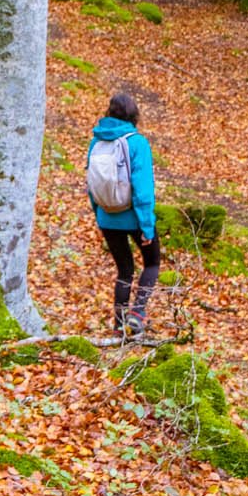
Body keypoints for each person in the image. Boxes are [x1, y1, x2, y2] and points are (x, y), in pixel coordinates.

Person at [88, 91, 158, 333]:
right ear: (134, 114)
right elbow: (143, 190)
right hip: (134, 218)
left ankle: (119, 326)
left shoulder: (96, 142)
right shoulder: (138, 142)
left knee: (124, 270)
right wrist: (147, 226)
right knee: (152, 263)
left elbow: (91, 184)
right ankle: (137, 314)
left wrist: (99, 214)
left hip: (107, 216)